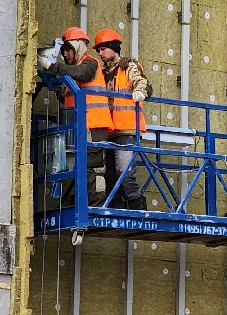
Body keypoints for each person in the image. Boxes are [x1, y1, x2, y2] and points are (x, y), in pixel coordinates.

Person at [43, 26, 113, 205]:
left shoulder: (90, 64)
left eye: (68, 50)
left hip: (94, 125)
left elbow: (83, 74)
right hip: (78, 127)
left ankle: (95, 204)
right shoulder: (71, 74)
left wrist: (54, 67)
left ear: (78, 47)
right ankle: (85, 201)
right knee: (79, 166)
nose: (66, 54)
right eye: (63, 51)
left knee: (93, 168)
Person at [93, 27, 151, 211]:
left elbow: (142, 82)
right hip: (109, 131)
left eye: (103, 49)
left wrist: (140, 92)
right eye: (98, 50)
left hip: (126, 130)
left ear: (113, 48)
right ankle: (117, 209)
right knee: (110, 176)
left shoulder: (128, 67)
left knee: (124, 175)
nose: (100, 53)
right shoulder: (102, 73)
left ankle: (138, 208)